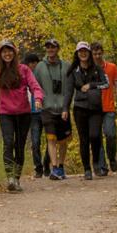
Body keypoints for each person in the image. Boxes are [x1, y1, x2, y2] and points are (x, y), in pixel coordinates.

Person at [0, 40, 45, 192]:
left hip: (23, 114)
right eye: (4, 51)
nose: (7, 54)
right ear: (0, 54)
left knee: (19, 146)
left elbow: (35, 86)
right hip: (5, 114)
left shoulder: (23, 70)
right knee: (8, 143)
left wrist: (38, 98)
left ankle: (16, 179)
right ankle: (10, 177)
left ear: (14, 52)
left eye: (9, 51)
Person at [63, 40, 108, 180]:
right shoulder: (73, 70)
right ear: (77, 53)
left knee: (95, 136)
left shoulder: (97, 68)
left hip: (95, 108)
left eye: (85, 51)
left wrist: (91, 85)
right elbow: (69, 91)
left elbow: (106, 84)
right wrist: (65, 108)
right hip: (80, 108)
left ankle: (96, 163)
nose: (83, 53)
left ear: (89, 53)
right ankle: (87, 169)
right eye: (80, 51)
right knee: (84, 139)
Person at [33, 38, 73, 180]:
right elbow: (34, 86)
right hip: (47, 108)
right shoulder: (40, 67)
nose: (50, 50)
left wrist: (66, 107)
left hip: (63, 108)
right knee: (51, 138)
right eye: (48, 47)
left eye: (53, 47)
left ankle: (61, 166)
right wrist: (38, 100)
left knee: (63, 140)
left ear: (58, 49)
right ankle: (54, 168)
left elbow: (69, 88)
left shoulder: (67, 66)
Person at [92, 41, 117, 175]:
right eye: (95, 54)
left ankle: (111, 157)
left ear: (103, 53)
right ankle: (102, 166)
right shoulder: (88, 69)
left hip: (109, 107)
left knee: (111, 134)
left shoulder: (111, 67)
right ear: (91, 54)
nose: (97, 56)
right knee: (97, 137)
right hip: (93, 108)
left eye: (99, 53)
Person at [22, 52, 50, 178]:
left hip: (46, 111)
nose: (32, 66)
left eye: (34, 63)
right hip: (32, 114)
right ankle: (38, 167)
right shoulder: (24, 76)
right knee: (35, 141)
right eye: (30, 64)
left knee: (51, 139)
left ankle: (47, 164)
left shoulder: (44, 75)